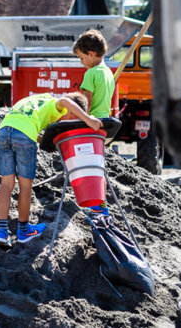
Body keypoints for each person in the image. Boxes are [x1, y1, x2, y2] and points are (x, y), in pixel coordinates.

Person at [0, 92, 103, 248]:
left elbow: (24, 126)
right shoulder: (57, 104)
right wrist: (88, 118)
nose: (69, 122)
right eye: (73, 118)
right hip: (23, 134)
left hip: (4, 132)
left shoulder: (37, 100)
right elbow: (65, 101)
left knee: (6, 184)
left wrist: (46, 141)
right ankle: (24, 230)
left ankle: (2, 232)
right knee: (25, 186)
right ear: (70, 110)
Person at [74, 28, 116, 219]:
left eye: (81, 58)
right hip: (103, 126)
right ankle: (101, 203)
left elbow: (87, 103)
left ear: (91, 54)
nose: (81, 63)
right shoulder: (107, 72)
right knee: (98, 164)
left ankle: (94, 203)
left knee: (86, 164)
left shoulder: (91, 74)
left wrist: (80, 119)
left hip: (90, 126)